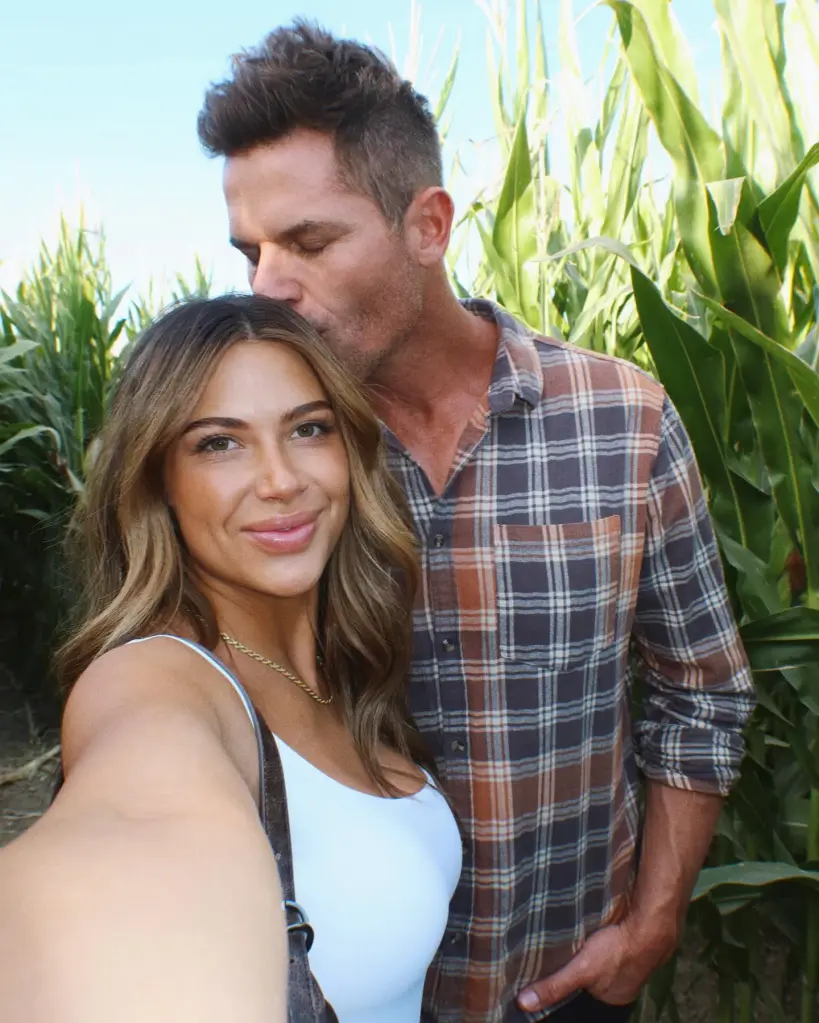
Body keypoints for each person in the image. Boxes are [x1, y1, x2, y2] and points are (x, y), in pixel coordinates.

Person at [196, 21, 757, 1023]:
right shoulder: (260, 469)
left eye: (310, 243)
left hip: (571, 983)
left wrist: (657, 921)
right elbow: (161, 691)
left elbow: (701, 694)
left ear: (429, 225)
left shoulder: (622, 423)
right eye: (252, 251)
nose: (267, 289)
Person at [0, 295, 462, 1023]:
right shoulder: (156, 680)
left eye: (309, 429)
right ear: (159, 483)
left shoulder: (345, 673)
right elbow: (132, 824)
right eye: (219, 442)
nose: (280, 479)